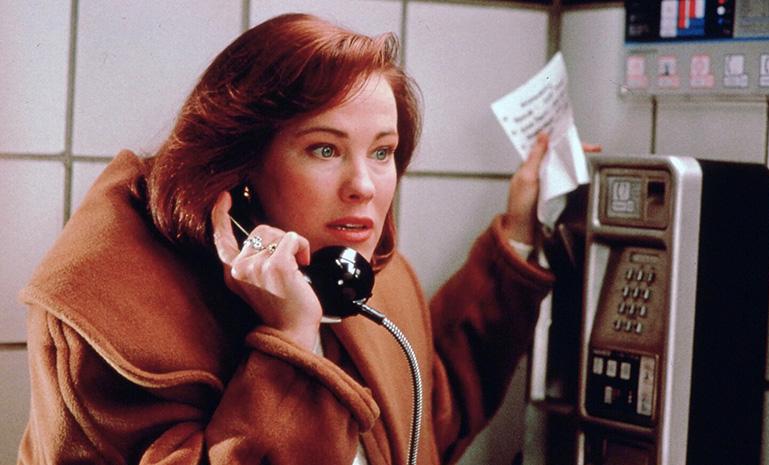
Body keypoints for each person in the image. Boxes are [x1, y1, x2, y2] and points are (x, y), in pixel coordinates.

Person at [18, 13, 562, 465]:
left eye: (382, 152)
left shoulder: (359, 276)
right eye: (325, 150)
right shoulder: (110, 323)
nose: (364, 186)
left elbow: (425, 420)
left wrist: (518, 234)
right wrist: (290, 343)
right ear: (241, 167)